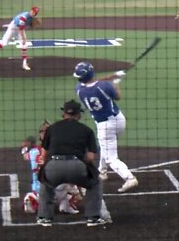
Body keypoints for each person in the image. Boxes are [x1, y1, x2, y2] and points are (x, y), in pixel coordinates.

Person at [36, 100, 106, 227]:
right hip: (77, 167)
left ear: (64, 114)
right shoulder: (87, 130)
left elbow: (44, 154)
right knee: (95, 182)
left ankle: (45, 218)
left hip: (54, 167)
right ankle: (93, 218)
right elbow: (90, 157)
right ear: (79, 115)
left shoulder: (52, 129)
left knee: (45, 182)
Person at [73, 62, 138, 193]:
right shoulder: (105, 87)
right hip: (119, 120)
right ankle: (102, 172)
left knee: (111, 157)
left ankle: (129, 178)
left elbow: (94, 83)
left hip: (104, 126)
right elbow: (117, 96)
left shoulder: (79, 89)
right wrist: (116, 83)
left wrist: (113, 76)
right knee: (106, 147)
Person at [21, 121, 82, 215]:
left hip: (41, 192)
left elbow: (25, 156)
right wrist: (77, 191)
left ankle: (32, 198)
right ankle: (66, 204)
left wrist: (24, 148)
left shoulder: (33, 152)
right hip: (59, 192)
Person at [0, 6, 39, 70]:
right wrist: (23, 38)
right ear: (31, 10)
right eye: (33, 12)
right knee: (4, 43)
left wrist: (33, 25)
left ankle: (24, 64)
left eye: (35, 13)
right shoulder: (24, 17)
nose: (34, 13)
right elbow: (21, 29)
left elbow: (28, 25)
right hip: (13, 28)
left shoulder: (31, 18)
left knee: (24, 45)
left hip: (19, 29)